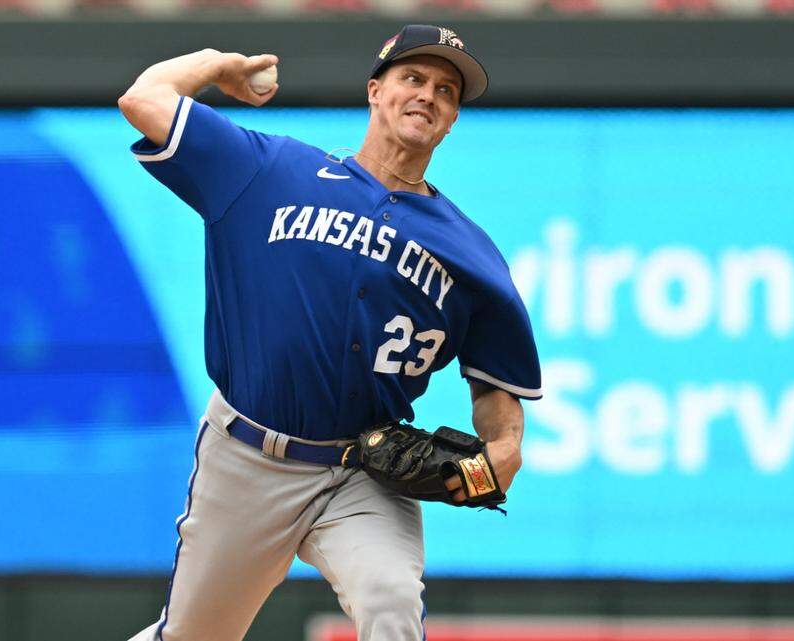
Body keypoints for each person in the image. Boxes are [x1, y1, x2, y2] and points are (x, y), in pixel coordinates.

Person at [117, 24, 543, 641]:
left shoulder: (471, 254)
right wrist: (216, 65)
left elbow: (496, 385)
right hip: (247, 461)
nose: (428, 96)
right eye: (413, 79)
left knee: (392, 601)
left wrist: (503, 450)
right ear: (376, 91)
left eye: (446, 91)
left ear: (451, 120)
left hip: (362, 474)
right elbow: (143, 99)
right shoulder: (268, 171)